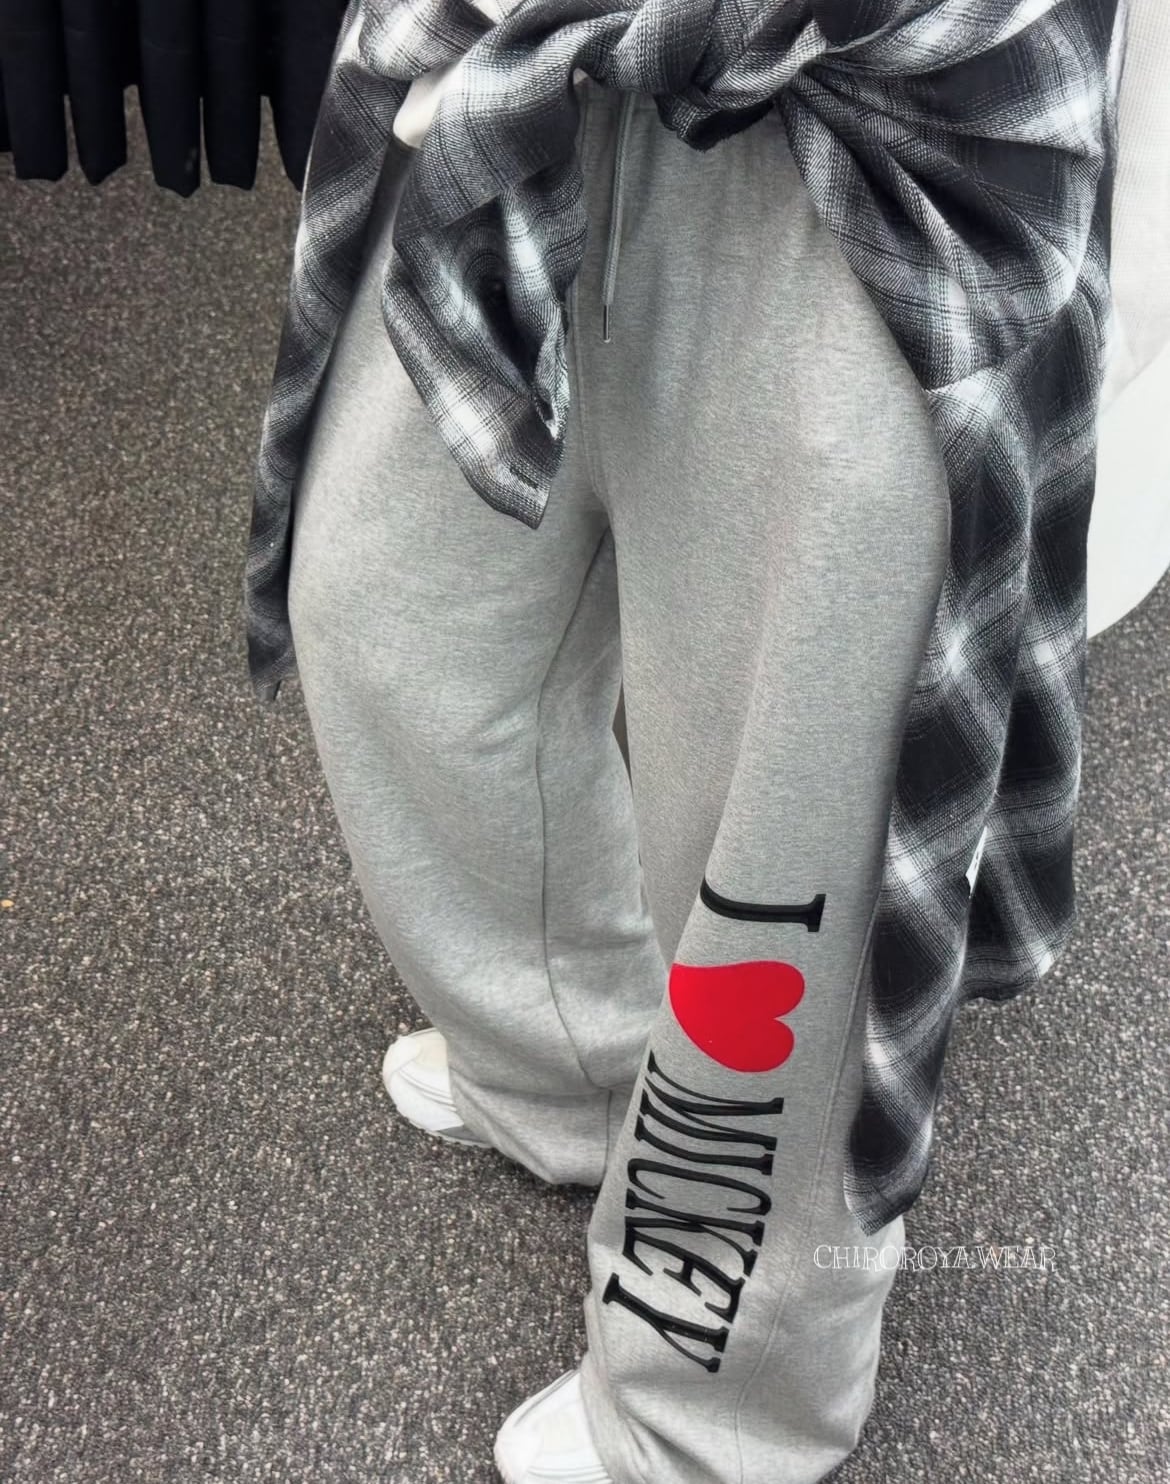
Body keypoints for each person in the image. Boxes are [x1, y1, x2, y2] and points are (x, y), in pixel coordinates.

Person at [244, 3, 1137, 1480]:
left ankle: (712, 1411)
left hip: (881, 116)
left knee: (784, 852)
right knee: (390, 619)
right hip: (522, 51)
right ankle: (570, 1064)